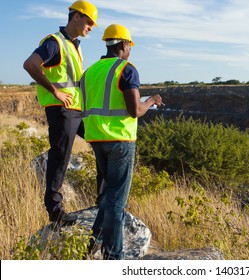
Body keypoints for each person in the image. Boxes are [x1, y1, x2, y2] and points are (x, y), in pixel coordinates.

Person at [80, 24, 162, 260]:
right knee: (116, 202)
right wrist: (152, 101)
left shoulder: (91, 71)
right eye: (130, 46)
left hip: (96, 139)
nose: (130, 50)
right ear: (125, 44)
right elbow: (135, 110)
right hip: (120, 141)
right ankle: (114, 258)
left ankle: (90, 246)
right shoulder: (126, 69)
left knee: (108, 198)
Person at [23, 1, 104, 226]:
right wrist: (55, 91)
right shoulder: (54, 42)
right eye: (89, 21)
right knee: (60, 156)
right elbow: (30, 65)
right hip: (62, 109)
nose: (91, 27)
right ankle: (55, 211)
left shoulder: (75, 45)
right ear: (76, 16)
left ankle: (103, 199)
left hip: (77, 109)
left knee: (102, 142)